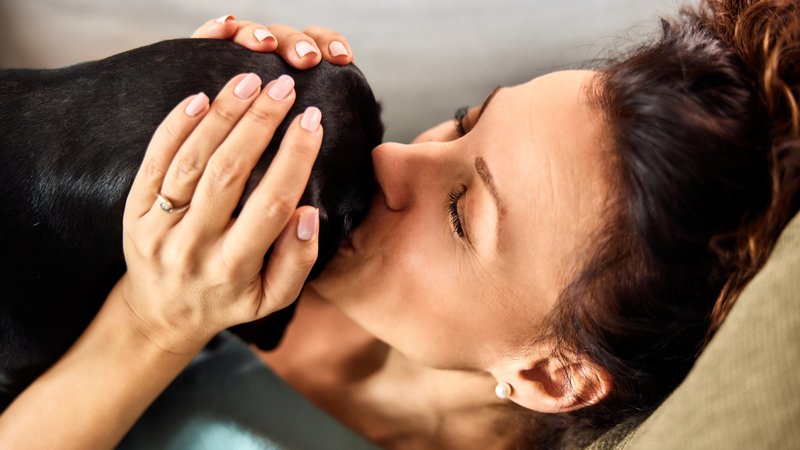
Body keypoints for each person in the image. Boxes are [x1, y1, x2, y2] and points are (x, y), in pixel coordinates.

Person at [1, 0, 798, 448]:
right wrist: (140, 120)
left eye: (460, 213)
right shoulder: (307, 221)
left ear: (549, 376)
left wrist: (151, 325)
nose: (393, 163)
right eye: (461, 124)